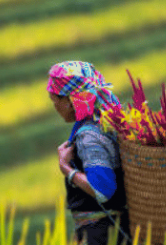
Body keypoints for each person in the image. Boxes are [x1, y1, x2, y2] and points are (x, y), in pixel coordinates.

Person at [46, 61, 130, 245]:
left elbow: (102, 190)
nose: (55, 107)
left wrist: (67, 169)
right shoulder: (103, 119)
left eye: (55, 101)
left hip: (102, 234)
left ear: (70, 101)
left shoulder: (89, 137)